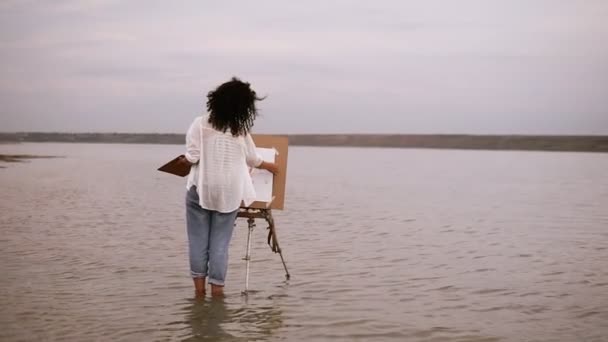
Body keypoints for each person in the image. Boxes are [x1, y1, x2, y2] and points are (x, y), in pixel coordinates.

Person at [179, 77, 278, 297]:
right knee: (219, 245)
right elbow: (253, 159)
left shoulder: (200, 123)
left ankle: (198, 293)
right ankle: (217, 293)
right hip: (229, 194)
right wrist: (272, 166)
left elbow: (192, 157)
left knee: (197, 241)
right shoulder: (239, 130)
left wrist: (183, 162)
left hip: (200, 190)